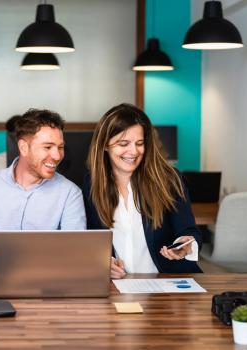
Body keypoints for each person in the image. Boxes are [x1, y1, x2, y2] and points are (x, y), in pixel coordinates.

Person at [0, 109, 87, 274]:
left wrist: (13, 263)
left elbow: (73, 253)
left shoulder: (70, 193)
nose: (57, 155)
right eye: (48, 147)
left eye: (60, 147)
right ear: (23, 147)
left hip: (43, 284)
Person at [85, 103, 202, 278]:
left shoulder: (168, 180)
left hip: (167, 284)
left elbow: (189, 231)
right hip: (118, 287)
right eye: (123, 143)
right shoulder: (92, 184)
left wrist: (184, 245)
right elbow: (90, 241)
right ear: (105, 145)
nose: (133, 151)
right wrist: (103, 262)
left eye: (139, 143)